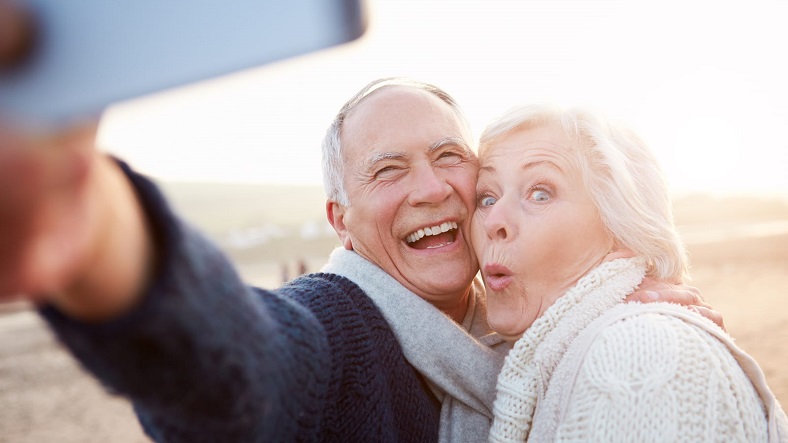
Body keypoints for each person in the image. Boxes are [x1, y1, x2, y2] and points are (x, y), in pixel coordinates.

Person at [0, 79, 721, 442]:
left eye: (449, 157)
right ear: (340, 223)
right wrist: (94, 231)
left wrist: (611, 293)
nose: (431, 187)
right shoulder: (337, 328)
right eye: (388, 170)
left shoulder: (532, 335)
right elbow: (245, 362)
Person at [469, 104, 788, 442]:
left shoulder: (635, 355)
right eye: (487, 198)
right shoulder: (548, 359)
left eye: (540, 193)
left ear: (622, 228)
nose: (493, 221)